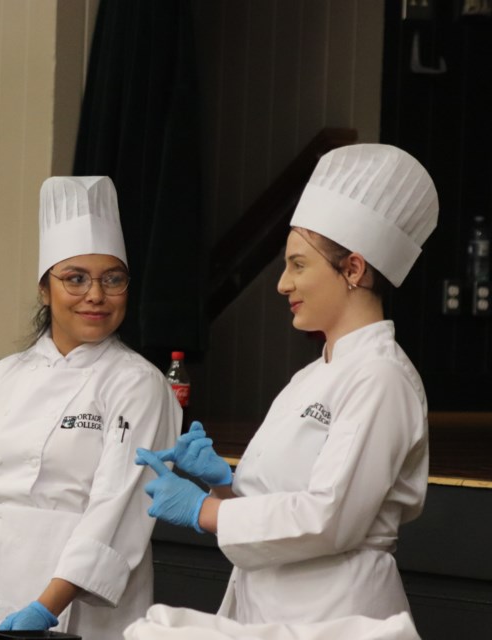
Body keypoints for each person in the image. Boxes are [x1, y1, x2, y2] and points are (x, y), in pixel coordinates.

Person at [136, 144, 438, 627]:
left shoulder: (382, 378)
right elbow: (283, 506)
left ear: (353, 269)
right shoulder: (312, 375)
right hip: (271, 609)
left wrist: (204, 511)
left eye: (298, 265)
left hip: (337, 613)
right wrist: (225, 485)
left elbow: (330, 519)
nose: (282, 283)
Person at [0, 176, 181, 640]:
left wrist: (45, 610)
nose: (96, 296)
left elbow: (118, 510)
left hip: (82, 610)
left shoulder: (140, 384)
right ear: (45, 289)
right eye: (76, 279)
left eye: (113, 279)